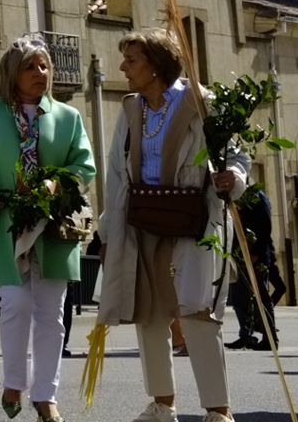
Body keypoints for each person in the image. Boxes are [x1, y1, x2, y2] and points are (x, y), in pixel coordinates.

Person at [94, 28, 246, 422]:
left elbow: (235, 154)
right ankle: (163, 404)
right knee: (148, 313)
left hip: (193, 217)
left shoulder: (201, 102)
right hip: (142, 220)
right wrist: (109, 232)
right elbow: (115, 173)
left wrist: (234, 177)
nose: (124, 67)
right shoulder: (130, 110)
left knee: (197, 313)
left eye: (133, 60)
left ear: (157, 65)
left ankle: (218, 410)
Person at [0, 37, 98, 422]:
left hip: (54, 225)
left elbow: (84, 165)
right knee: (16, 305)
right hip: (5, 223)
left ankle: (46, 396)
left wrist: (57, 184)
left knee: (52, 312)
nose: (41, 73)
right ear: (12, 74)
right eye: (30, 67)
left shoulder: (68, 117)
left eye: (44, 66)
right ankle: (13, 382)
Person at [224, 186, 280, 351]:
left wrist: (257, 253)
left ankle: (270, 338)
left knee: (261, 297)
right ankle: (246, 335)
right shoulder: (231, 197)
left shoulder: (257, 196)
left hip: (256, 255)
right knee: (239, 297)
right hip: (238, 253)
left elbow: (265, 228)